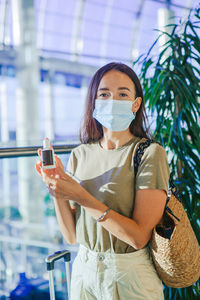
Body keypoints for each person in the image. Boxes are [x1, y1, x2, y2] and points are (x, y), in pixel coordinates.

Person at [35, 62, 170, 299]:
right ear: (94, 101)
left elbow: (138, 238)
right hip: (84, 271)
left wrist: (81, 196)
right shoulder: (80, 154)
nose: (113, 100)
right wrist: (56, 186)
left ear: (136, 104)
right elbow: (72, 236)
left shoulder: (150, 153)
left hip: (129, 276)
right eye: (104, 93)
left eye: (123, 94)